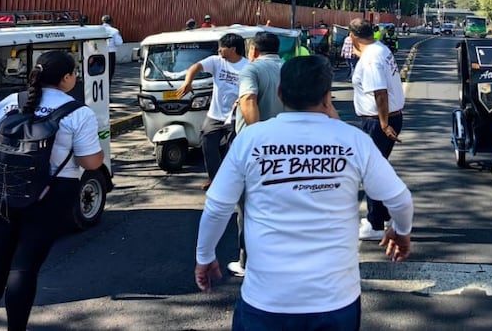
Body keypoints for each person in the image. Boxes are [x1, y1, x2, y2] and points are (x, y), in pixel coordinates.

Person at [194, 56, 413, 330]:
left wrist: (204, 257)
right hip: (335, 302)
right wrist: (401, 231)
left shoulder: (251, 139)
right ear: (327, 95)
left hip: (265, 301)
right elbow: (400, 199)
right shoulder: (354, 140)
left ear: (280, 93)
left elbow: (217, 207)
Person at [0, 51, 104, 331]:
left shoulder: (8, 104)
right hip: (51, 195)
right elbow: (89, 162)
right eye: (74, 73)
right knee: (24, 267)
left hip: (1, 190)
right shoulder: (78, 112)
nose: (75, 78)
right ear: (66, 78)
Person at [228, 31, 285, 277]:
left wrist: (257, 137)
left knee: (249, 208)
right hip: (285, 147)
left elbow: (249, 98)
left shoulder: (251, 70)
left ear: (253, 50)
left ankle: (248, 262)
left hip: (256, 151)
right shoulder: (288, 69)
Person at [348, 18, 405, 242]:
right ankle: (383, 214)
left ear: (353, 36)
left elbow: (379, 92)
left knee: (371, 172)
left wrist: (383, 124)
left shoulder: (371, 58)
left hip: (378, 121)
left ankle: (375, 225)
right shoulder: (379, 49)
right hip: (384, 118)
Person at [176, 33, 248, 190]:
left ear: (232, 49)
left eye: (222, 47)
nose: (219, 50)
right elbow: (195, 67)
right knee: (207, 144)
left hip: (235, 116)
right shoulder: (216, 61)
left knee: (233, 151)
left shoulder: (247, 67)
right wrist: (188, 82)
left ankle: (231, 182)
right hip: (214, 115)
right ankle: (214, 178)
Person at [101, 15, 123, 80]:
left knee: (100, 71)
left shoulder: (98, 29)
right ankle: (108, 85)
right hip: (110, 53)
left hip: (99, 53)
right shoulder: (114, 31)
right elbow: (119, 42)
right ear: (111, 22)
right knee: (109, 71)